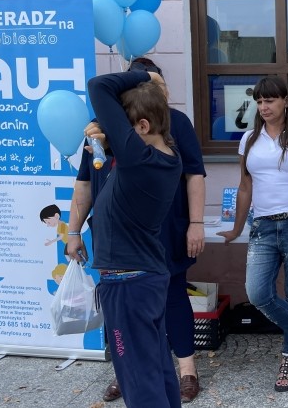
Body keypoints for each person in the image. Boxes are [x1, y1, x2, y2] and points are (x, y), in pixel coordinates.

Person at [66, 58, 207, 403]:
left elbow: (98, 85)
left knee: (137, 377)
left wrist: (148, 76)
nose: (118, 135)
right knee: (156, 368)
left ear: (142, 126)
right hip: (145, 278)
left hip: (127, 284)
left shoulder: (137, 158)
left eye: (123, 129)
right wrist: (106, 142)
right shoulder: (165, 155)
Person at [217, 75, 288, 392]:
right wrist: (237, 228)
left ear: (285, 101)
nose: (263, 106)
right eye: (259, 101)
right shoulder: (249, 140)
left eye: (269, 100)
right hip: (263, 226)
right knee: (257, 293)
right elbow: (245, 187)